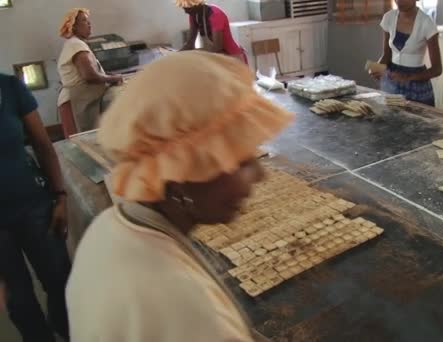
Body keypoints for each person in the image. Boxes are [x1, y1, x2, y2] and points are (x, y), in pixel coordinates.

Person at [66, 51, 293, 341]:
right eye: (240, 161)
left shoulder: (106, 228)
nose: (262, 175)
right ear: (177, 176)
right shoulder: (188, 305)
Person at [0, 73, 72, 342]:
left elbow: (43, 144)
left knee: (60, 282)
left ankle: (69, 332)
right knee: (18, 301)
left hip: (34, 206)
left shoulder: (9, 87)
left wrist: (60, 197)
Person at [57, 8, 123, 137]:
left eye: (88, 21)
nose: (89, 24)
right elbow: (89, 75)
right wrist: (113, 78)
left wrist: (107, 75)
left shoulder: (76, 44)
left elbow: (91, 71)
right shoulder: (76, 45)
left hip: (80, 99)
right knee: (83, 139)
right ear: (73, 26)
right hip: (77, 101)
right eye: (84, 21)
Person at [371, 0, 442, 106]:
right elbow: (386, 54)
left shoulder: (426, 23)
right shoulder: (389, 17)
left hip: (417, 86)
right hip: (392, 83)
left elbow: (437, 69)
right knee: (390, 119)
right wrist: (377, 68)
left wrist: (408, 77)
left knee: (417, 120)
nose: (399, 1)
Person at [178, 0, 248, 63]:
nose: (186, 12)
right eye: (184, 8)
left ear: (196, 4)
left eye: (187, 8)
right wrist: (175, 55)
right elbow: (190, 43)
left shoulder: (215, 14)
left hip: (232, 57)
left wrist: (194, 53)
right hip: (216, 57)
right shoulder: (193, 15)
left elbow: (217, 47)